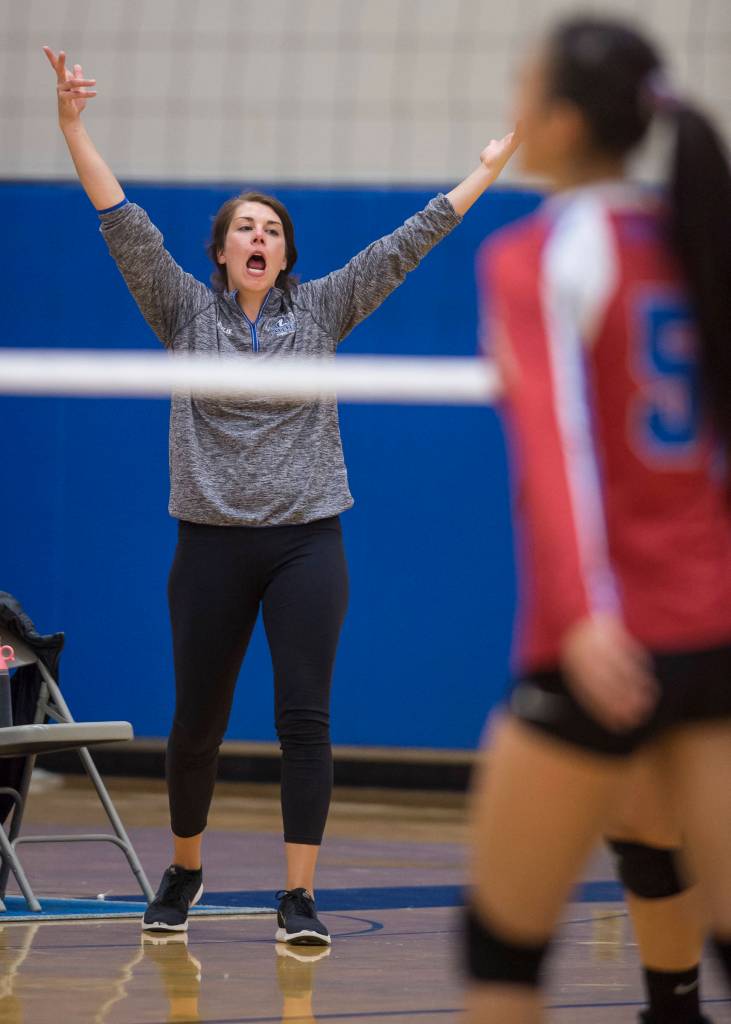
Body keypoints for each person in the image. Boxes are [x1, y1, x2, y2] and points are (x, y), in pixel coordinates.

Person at [42, 45, 520, 946]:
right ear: (220, 254)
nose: (258, 238)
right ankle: (183, 871)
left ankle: (297, 896)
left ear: (285, 253)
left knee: (305, 718)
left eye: (271, 229)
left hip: (307, 540)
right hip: (210, 541)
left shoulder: (325, 309)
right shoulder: (182, 311)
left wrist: (486, 171)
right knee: (196, 725)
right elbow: (119, 218)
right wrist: (73, 126)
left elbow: (407, 244)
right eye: (244, 229)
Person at [465, 15, 731, 1023]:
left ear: (562, 123)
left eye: (520, 87)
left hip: (602, 640)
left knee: (500, 957)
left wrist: (582, 615)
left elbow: (557, 451)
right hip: (712, 634)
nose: (510, 106)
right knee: (654, 863)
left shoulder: (541, 251)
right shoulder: (698, 236)